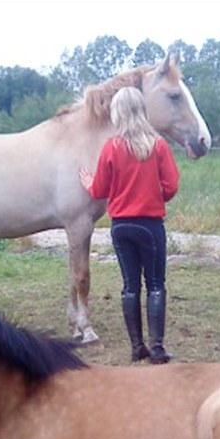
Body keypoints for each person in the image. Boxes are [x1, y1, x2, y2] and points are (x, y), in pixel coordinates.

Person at [80, 86, 180, 363]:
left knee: (130, 286)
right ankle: (157, 348)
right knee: (156, 284)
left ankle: (137, 347)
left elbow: (99, 190)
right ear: (141, 111)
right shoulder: (158, 145)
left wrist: (88, 181)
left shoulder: (111, 148)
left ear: (117, 113)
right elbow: (171, 187)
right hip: (150, 226)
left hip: (121, 226)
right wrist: (153, 192)